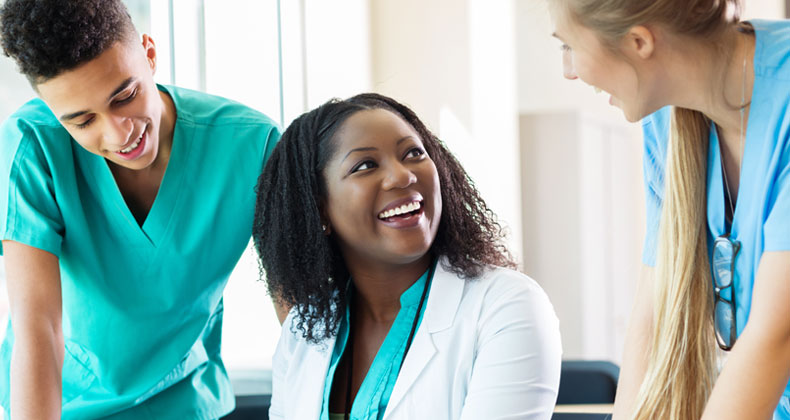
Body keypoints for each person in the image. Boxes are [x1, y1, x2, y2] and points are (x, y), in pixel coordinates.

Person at [0, 0, 280, 418]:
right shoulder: (31, 147)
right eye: (81, 122)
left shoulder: (251, 146)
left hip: (188, 402)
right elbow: (38, 326)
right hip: (63, 404)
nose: (119, 133)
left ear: (149, 54)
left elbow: (300, 312)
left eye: (125, 96)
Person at [254, 93, 562, 420]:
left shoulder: (506, 306)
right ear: (319, 208)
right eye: (366, 165)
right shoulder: (301, 329)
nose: (403, 176)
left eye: (413, 153)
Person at [550, 0, 790, 419]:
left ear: (639, 41)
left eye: (568, 46)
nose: (569, 71)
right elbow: (654, 313)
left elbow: (777, 334)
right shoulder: (666, 122)